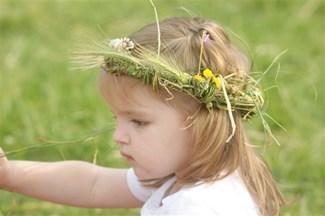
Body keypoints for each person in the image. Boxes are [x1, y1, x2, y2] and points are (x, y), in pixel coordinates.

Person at [0, 16, 285, 215]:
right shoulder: (194, 172)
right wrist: (10, 175)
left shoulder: (197, 207)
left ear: (201, 122)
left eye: (138, 122)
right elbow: (93, 184)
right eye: (117, 119)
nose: (118, 136)